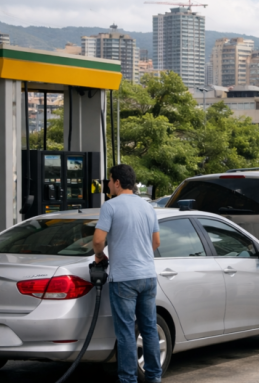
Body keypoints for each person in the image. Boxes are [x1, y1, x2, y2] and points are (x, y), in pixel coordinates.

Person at [93, 164, 162, 383]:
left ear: (117, 182)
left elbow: (97, 240)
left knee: (125, 333)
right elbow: (156, 241)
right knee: (149, 328)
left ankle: (129, 380)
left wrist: (99, 256)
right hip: (148, 276)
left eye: (110, 180)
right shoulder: (148, 207)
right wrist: (139, 255)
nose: (109, 184)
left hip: (124, 279)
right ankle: (154, 378)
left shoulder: (110, 206)